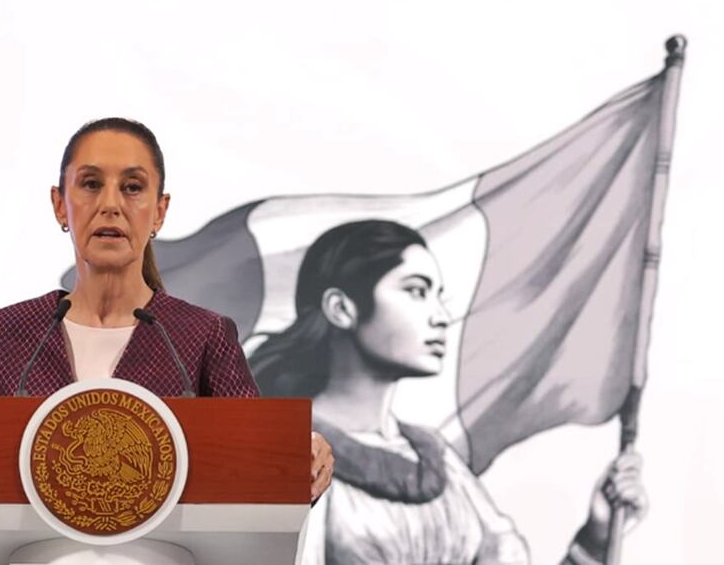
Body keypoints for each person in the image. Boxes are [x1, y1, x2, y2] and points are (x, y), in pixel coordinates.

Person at [0, 117, 335, 519]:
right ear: (60, 204)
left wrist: (302, 464)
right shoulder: (3, 336)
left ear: (159, 211)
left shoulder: (202, 337)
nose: (111, 204)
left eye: (132, 187)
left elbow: (258, 472)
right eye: (91, 184)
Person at [248, 219, 647, 565]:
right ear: (341, 308)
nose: (440, 316)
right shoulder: (280, 455)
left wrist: (595, 537)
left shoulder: (437, 460)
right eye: (416, 291)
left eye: (439, 296)